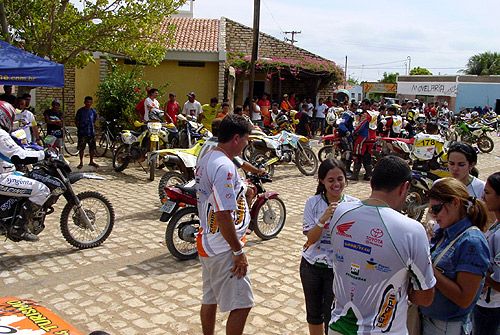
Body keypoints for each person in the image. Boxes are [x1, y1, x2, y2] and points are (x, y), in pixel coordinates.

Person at [327, 156, 436, 335]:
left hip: (337, 327)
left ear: (372, 183)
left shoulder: (340, 211)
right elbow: (425, 297)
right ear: (405, 187)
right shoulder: (412, 230)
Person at [195, 114, 254, 335]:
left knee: (209, 297)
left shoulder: (208, 157)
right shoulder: (225, 167)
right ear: (237, 138)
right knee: (242, 304)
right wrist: (238, 250)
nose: (247, 144)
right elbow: (223, 215)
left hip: (207, 241)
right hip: (223, 246)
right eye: (247, 139)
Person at [420, 177, 490, 335]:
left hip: (447, 326)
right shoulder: (446, 232)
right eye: (431, 210)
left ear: (455, 203)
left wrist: (429, 269)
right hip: (431, 320)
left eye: (436, 209)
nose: (434, 215)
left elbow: (464, 298)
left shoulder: (471, 242)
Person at [301, 159, 359, 335]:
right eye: (331, 180)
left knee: (332, 315)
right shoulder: (313, 203)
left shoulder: (354, 205)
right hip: (311, 266)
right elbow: (310, 239)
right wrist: (323, 219)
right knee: (314, 314)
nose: (336, 184)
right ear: (322, 181)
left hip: (338, 270)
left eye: (340, 179)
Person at [0, 101, 52, 242]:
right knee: (42, 190)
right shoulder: (1, 134)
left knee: (28, 178)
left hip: (6, 173)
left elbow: (15, 151)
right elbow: (18, 156)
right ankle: (19, 228)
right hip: (2, 177)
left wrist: (33, 150)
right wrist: (44, 154)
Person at [472, 172, 500, 335]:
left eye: (488, 193)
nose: (483, 196)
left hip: (491, 307)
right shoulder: (495, 223)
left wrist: (480, 275)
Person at [349, 99, 374, 181]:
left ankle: (355, 175)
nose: (362, 106)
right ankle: (368, 175)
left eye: (363, 105)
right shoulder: (374, 113)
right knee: (367, 156)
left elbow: (360, 125)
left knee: (357, 155)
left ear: (367, 105)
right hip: (371, 137)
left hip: (363, 137)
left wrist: (354, 132)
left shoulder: (365, 114)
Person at [75, 96, 99, 169]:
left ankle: (91, 161)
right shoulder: (80, 111)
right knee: (81, 148)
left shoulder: (93, 111)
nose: (88, 103)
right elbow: (76, 121)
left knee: (92, 148)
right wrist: (79, 128)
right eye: (87, 102)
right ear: (84, 102)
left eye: (90, 102)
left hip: (91, 133)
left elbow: (94, 119)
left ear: (91, 103)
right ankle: (81, 162)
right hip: (82, 133)